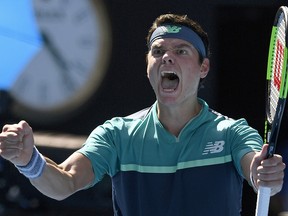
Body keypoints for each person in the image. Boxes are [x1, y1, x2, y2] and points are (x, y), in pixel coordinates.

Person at [0, 13, 285, 216]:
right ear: (148, 66)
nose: (167, 57)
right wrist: (28, 161)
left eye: (181, 50)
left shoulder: (233, 133)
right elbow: (66, 181)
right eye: (157, 51)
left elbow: (256, 171)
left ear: (203, 68)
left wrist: (265, 176)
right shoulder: (117, 134)